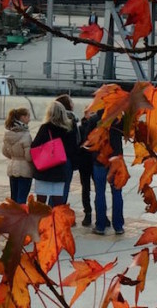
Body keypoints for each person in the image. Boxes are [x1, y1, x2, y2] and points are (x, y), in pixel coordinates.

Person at [31, 99, 77, 207]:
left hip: (44, 169)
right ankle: (55, 222)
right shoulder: (68, 129)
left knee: (40, 202)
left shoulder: (45, 128)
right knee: (58, 201)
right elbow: (72, 148)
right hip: (60, 169)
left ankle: (42, 223)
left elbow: (34, 146)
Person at [61, 94, 94, 226]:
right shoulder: (80, 127)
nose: (92, 114)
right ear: (85, 113)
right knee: (85, 188)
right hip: (84, 162)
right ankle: (88, 213)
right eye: (90, 112)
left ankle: (98, 214)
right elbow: (77, 144)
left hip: (94, 161)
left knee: (97, 189)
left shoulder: (95, 126)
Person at [91, 109, 125, 235]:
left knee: (99, 192)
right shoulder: (118, 118)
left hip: (99, 160)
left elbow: (88, 139)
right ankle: (118, 225)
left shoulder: (94, 119)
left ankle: (100, 225)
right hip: (116, 160)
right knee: (117, 193)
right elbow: (127, 133)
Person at [2, 107, 33, 204]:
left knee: (13, 197)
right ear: (22, 117)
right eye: (28, 116)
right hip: (25, 169)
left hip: (12, 167)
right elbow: (28, 156)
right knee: (22, 198)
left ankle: (13, 217)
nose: (30, 119)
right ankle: (21, 218)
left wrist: (14, 157)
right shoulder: (26, 135)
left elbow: (4, 151)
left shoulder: (8, 134)